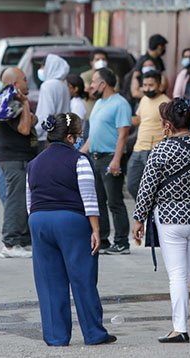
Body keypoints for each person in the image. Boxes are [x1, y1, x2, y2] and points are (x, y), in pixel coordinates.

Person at [133, 98, 190, 343]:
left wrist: (139, 218)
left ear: (167, 124)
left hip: (171, 219)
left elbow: (147, 187)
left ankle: (180, 329)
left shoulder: (162, 149)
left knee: (177, 276)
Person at [26, 113, 117, 347]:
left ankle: (56, 337)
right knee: (82, 277)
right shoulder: (79, 160)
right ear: (69, 137)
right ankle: (94, 333)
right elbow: (89, 197)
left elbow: (29, 200)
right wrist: (96, 230)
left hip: (39, 220)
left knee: (49, 281)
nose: (79, 139)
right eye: (78, 135)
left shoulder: (34, 163)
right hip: (71, 221)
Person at [80, 67, 132, 255]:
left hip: (111, 157)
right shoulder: (99, 103)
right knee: (98, 201)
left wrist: (116, 160)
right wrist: (79, 154)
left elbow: (123, 135)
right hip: (95, 158)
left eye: (94, 81)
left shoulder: (120, 104)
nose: (91, 86)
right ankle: (102, 240)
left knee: (115, 201)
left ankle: (122, 242)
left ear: (103, 84)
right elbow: (93, 135)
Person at [0, 67, 38, 258]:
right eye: (24, 80)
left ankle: (23, 239)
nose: (27, 83)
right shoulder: (8, 100)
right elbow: (25, 128)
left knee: (24, 199)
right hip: (15, 158)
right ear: (15, 84)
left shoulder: (10, 99)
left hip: (20, 157)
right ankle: (11, 243)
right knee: (17, 200)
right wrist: (26, 104)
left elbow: (32, 120)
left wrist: (27, 113)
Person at [126, 70, 170, 198]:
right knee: (132, 185)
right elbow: (139, 119)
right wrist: (121, 118)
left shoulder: (166, 103)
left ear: (159, 85)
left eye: (151, 85)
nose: (147, 88)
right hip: (138, 149)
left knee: (154, 187)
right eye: (144, 85)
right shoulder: (144, 99)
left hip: (155, 150)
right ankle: (145, 207)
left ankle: (153, 208)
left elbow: (170, 128)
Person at [35, 54, 71, 150]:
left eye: (43, 66)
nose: (41, 69)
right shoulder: (63, 86)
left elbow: (46, 114)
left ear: (50, 67)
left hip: (46, 137)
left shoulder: (47, 86)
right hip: (61, 135)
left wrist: (36, 133)